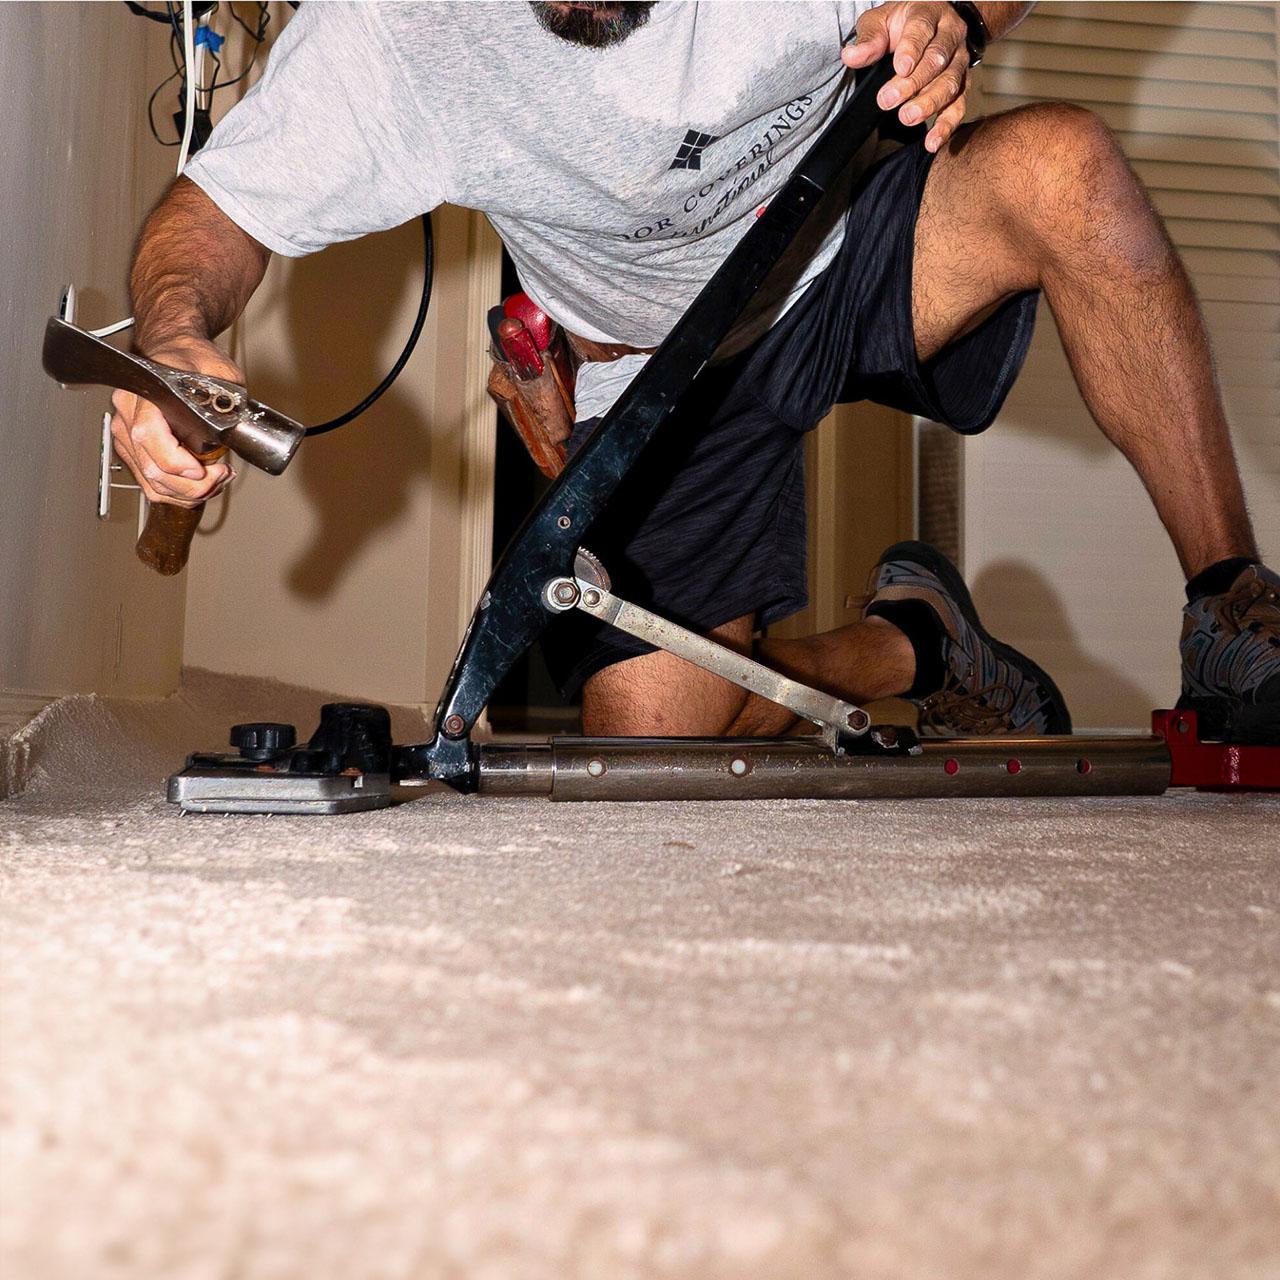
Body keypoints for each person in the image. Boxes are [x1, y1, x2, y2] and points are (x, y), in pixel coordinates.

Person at [109, 1, 1279, 745]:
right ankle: (915, 645)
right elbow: (212, 215)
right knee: (660, 752)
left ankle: (1228, 608)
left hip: (842, 251)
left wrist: (958, 15)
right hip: (653, 374)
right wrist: (169, 339)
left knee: (1063, 167)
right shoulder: (393, 32)